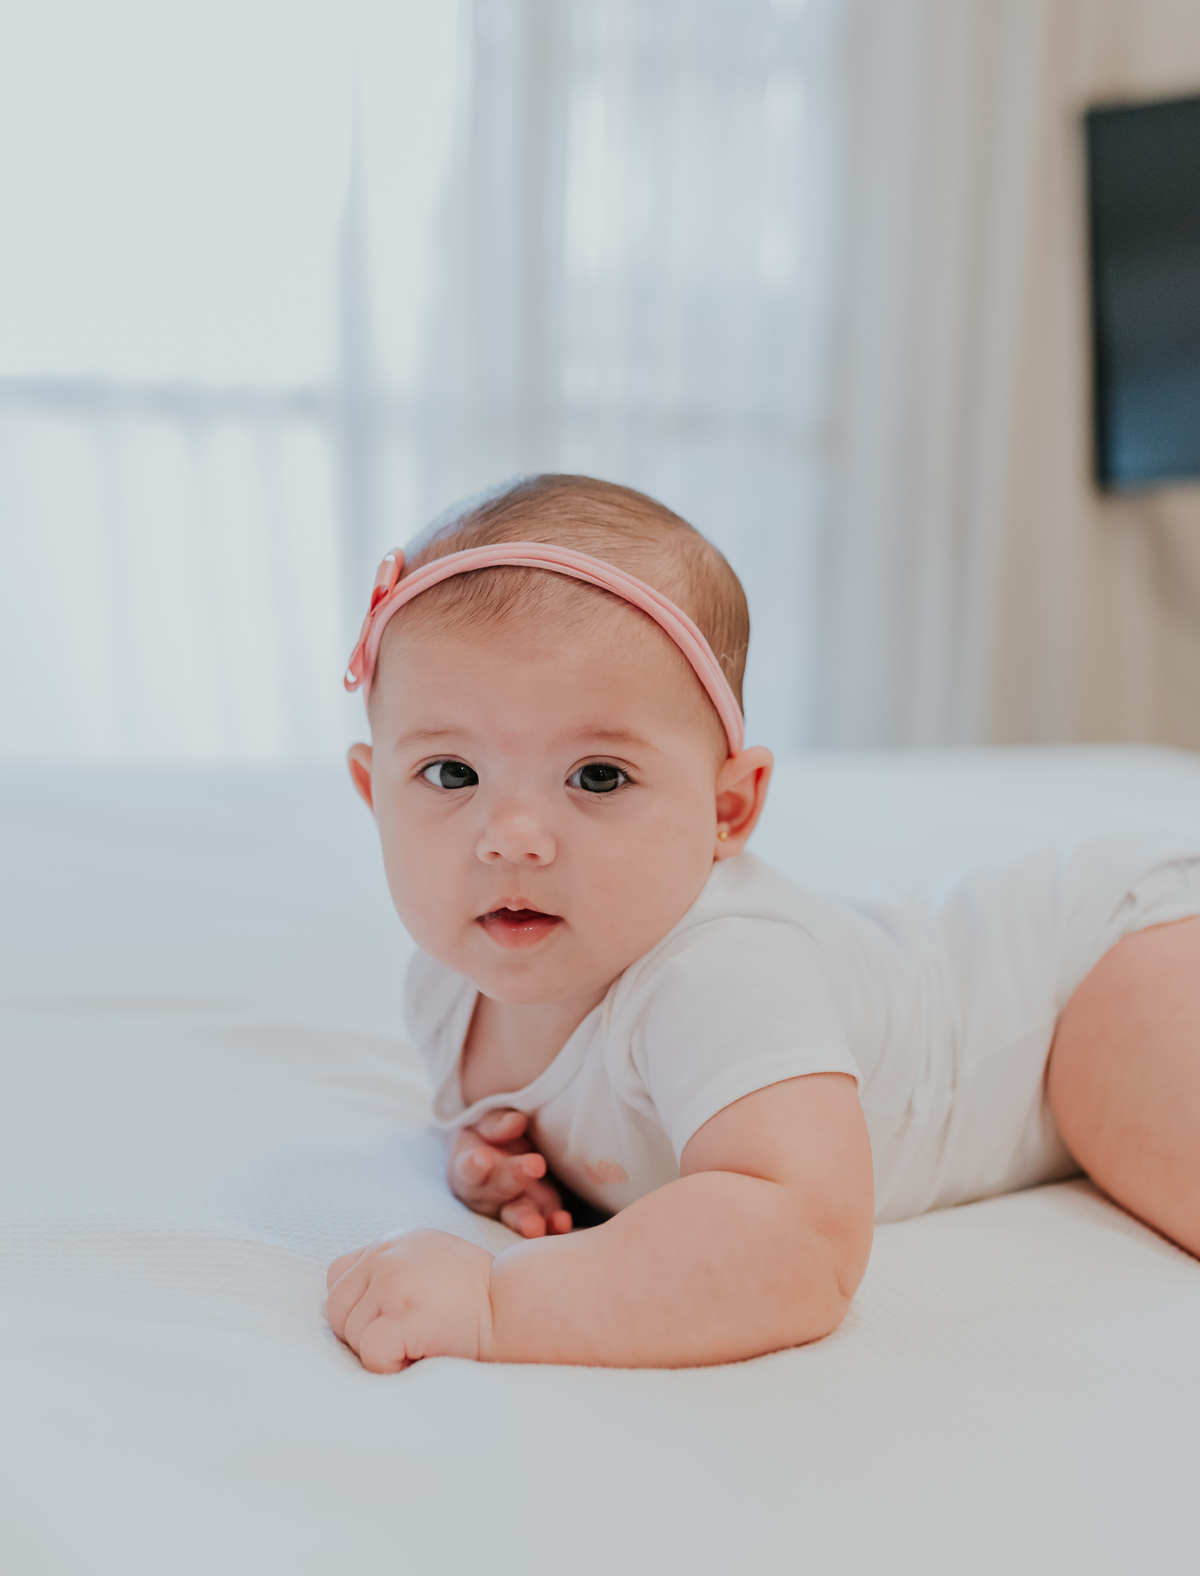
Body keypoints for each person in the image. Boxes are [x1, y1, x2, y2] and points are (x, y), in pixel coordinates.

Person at [326, 474, 1200, 1372]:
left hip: (1090, 969)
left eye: (597, 777)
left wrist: (496, 1303)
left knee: (1135, 1119)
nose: (511, 838)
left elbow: (800, 1242)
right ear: (373, 792)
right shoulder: (446, 989)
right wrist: (498, 1152)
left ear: (727, 810)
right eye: (452, 773)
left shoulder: (721, 971)